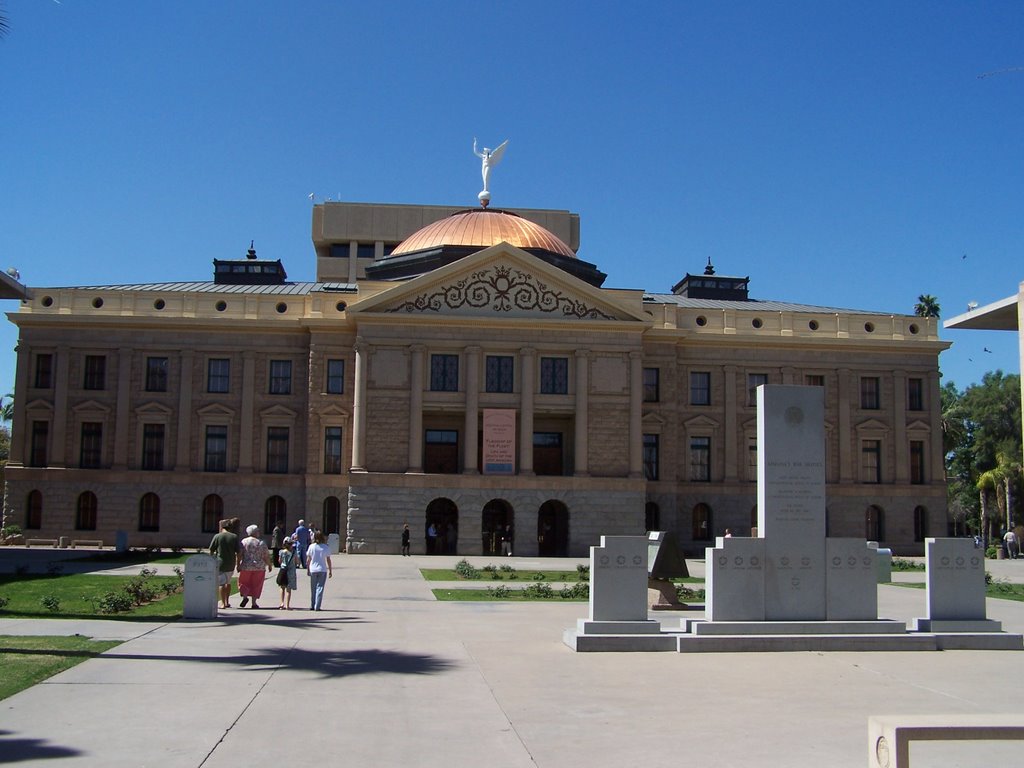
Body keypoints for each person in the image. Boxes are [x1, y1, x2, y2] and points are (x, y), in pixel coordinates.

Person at [237, 524, 272, 609]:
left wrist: (238, 564)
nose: (259, 532)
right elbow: (266, 556)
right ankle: (254, 603)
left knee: (243, 582)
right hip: (259, 567)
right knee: (257, 584)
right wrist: (269, 564)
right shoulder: (261, 542)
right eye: (258, 531)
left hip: (246, 566)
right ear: (255, 532)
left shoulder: (244, 542)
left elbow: (240, 554)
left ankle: (245, 596)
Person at [209, 518, 239, 609]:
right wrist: (238, 563)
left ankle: (222, 603)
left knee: (221, 583)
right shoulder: (234, 537)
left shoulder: (217, 536)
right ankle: (227, 601)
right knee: (228, 582)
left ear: (222, 527)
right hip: (231, 563)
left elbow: (211, 549)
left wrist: (212, 559)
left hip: (220, 563)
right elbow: (238, 552)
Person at [307, 531, 333, 611]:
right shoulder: (325, 547)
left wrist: (308, 569)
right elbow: (328, 559)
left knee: (313, 588)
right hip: (322, 569)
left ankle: (312, 605)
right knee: (320, 588)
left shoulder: (311, 546)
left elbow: (308, 559)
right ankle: (317, 606)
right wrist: (330, 570)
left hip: (313, 569)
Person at [276, 536, 297, 609]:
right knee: (289, 589)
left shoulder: (281, 552)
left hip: (283, 570)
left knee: (282, 587)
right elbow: (297, 561)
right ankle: (287, 605)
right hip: (291, 571)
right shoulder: (294, 552)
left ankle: (282, 603)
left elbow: (279, 561)